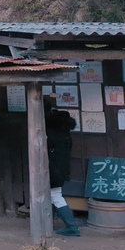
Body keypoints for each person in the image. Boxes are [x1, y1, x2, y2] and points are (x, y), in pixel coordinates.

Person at [47, 100, 81, 236]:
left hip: (54, 170)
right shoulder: (66, 135)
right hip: (61, 170)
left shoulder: (53, 135)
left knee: (55, 196)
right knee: (53, 196)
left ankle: (72, 226)